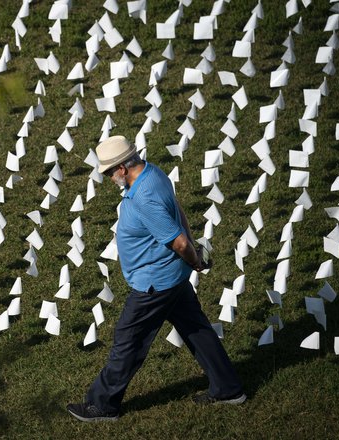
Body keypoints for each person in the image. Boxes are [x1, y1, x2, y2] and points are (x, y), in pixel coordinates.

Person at [67, 136, 245, 422]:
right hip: (172, 277)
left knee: (128, 340)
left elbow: (178, 243)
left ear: (123, 168)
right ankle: (228, 388)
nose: (110, 178)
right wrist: (190, 249)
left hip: (154, 285)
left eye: (110, 172)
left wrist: (194, 258)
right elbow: (177, 210)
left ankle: (102, 405)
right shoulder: (153, 172)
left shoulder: (143, 198)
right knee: (197, 330)